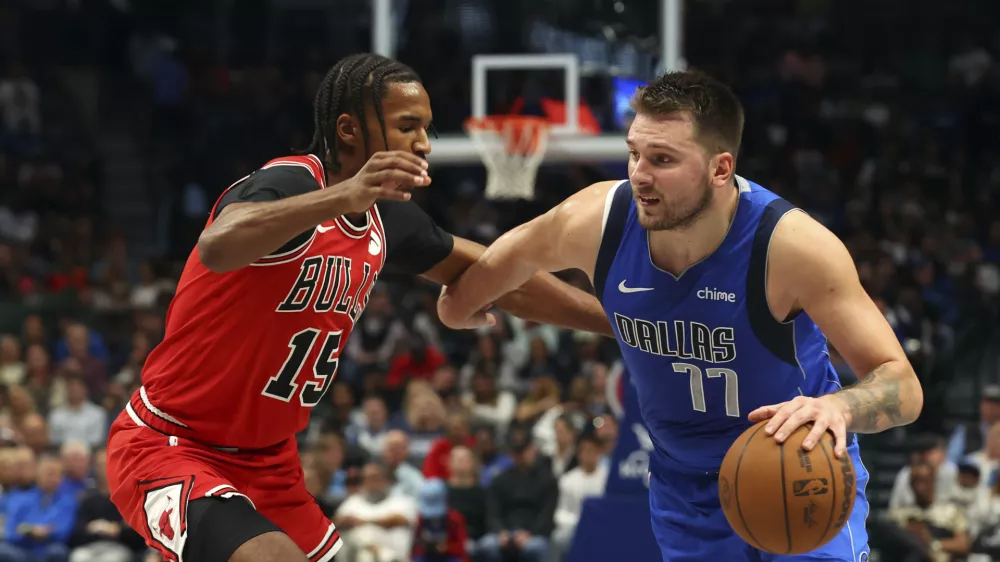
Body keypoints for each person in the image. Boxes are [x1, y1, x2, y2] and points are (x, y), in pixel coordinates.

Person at [104, 53, 611, 562]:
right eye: (407, 126)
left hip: (270, 464)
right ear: (349, 129)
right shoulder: (291, 182)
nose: (424, 143)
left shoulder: (387, 220)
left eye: (427, 128)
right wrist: (342, 196)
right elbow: (218, 244)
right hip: (170, 444)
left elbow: (505, 276)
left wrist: (616, 326)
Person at [437, 69, 924, 561]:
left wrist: (837, 408)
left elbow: (902, 386)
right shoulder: (591, 221)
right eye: (634, 153)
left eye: (663, 159)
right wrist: (456, 307)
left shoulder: (792, 247)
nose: (639, 174)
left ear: (720, 168)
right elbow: (487, 277)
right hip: (684, 488)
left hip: (799, 468)